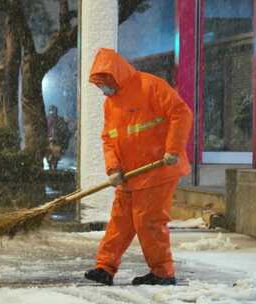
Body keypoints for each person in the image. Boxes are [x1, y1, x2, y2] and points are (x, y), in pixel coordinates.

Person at [84, 48, 193, 286]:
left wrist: (173, 150)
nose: (103, 90)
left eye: (104, 83)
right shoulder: (110, 104)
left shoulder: (150, 86)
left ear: (115, 74)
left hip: (158, 170)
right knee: (120, 221)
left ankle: (163, 273)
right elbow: (108, 138)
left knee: (149, 221)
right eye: (99, 85)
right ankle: (105, 268)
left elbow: (181, 113)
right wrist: (113, 168)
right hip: (129, 176)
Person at [46, 105, 71, 170]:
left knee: (54, 157)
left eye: (53, 111)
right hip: (50, 142)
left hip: (56, 142)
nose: (52, 114)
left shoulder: (59, 120)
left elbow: (66, 132)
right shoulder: (47, 120)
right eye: (51, 111)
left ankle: (53, 165)